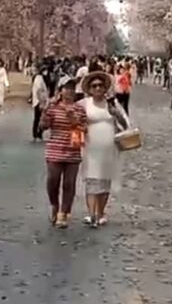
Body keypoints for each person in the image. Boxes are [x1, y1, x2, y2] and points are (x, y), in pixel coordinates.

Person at [79, 70, 128, 228]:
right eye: (94, 86)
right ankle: (91, 213)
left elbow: (125, 123)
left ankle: (101, 212)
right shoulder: (84, 104)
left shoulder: (111, 104)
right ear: (90, 89)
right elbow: (72, 117)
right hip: (90, 147)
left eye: (101, 85)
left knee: (104, 180)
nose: (98, 88)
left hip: (109, 147)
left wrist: (116, 114)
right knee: (92, 179)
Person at [40, 76, 86, 229]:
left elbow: (85, 129)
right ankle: (54, 204)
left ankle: (63, 213)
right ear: (60, 90)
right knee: (53, 180)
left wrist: (75, 121)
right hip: (55, 149)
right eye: (66, 88)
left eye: (72, 88)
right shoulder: (53, 107)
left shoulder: (79, 109)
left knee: (69, 183)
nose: (70, 91)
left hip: (73, 150)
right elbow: (43, 126)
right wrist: (46, 111)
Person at [31, 66, 50, 142]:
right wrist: (41, 102)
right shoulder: (39, 79)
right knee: (38, 118)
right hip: (39, 102)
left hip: (42, 101)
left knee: (41, 118)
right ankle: (36, 134)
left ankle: (39, 134)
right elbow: (38, 91)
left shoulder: (41, 78)